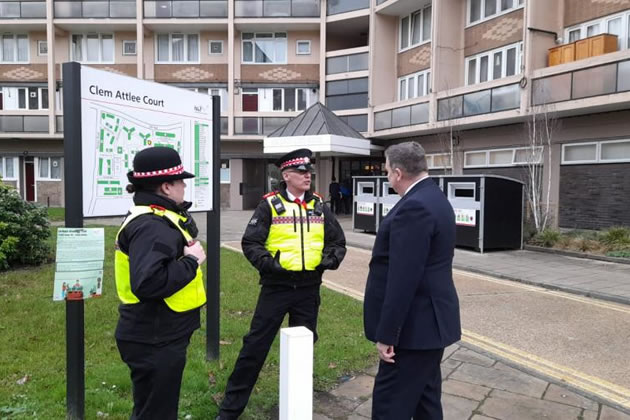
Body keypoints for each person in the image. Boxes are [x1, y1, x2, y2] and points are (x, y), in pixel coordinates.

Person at [217, 148, 346, 420]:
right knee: (255, 347)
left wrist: (329, 259)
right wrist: (269, 265)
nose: (307, 175)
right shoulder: (269, 205)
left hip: (309, 288)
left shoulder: (320, 206)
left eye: (308, 171)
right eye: (300, 172)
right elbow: (250, 243)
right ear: (286, 175)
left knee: (303, 346)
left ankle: (298, 405)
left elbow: (337, 241)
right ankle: (229, 411)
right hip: (276, 287)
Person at [363, 142, 461, 420]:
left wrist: (387, 334)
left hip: (413, 331)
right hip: (430, 326)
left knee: (389, 406)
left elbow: (403, 278)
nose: (386, 178)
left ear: (397, 172)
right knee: (425, 403)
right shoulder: (436, 198)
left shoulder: (414, 207)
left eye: (386, 172)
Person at [114, 146, 207, 420]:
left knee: (151, 408)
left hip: (154, 333)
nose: (184, 187)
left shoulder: (155, 217)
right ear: (167, 187)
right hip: (155, 336)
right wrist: (191, 262)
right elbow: (149, 282)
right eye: (180, 181)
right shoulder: (152, 224)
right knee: (157, 413)